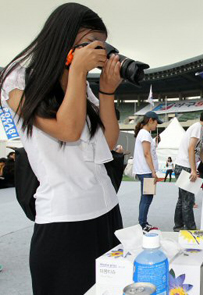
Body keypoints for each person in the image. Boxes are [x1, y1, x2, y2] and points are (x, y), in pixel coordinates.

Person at [0, 3, 123, 294]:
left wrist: (107, 92)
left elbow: (107, 141)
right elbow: (67, 130)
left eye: (99, 46)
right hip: (64, 219)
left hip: (106, 210)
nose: (95, 52)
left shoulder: (80, 83)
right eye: (88, 44)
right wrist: (78, 72)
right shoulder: (17, 79)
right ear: (63, 38)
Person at [174, 106, 203, 231]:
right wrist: (193, 170)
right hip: (185, 167)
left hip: (182, 165)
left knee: (182, 199)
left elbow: (199, 151)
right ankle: (191, 229)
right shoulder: (197, 128)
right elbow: (191, 148)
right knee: (188, 202)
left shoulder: (200, 130)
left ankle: (178, 225)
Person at [133, 111, 163, 232]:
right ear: (150, 120)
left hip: (144, 171)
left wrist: (155, 143)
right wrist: (153, 172)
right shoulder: (145, 134)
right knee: (147, 198)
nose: (157, 126)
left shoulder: (144, 133)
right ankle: (142, 224)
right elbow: (147, 154)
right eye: (156, 122)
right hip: (146, 171)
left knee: (146, 198)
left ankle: (143, 222)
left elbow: (147, 151)